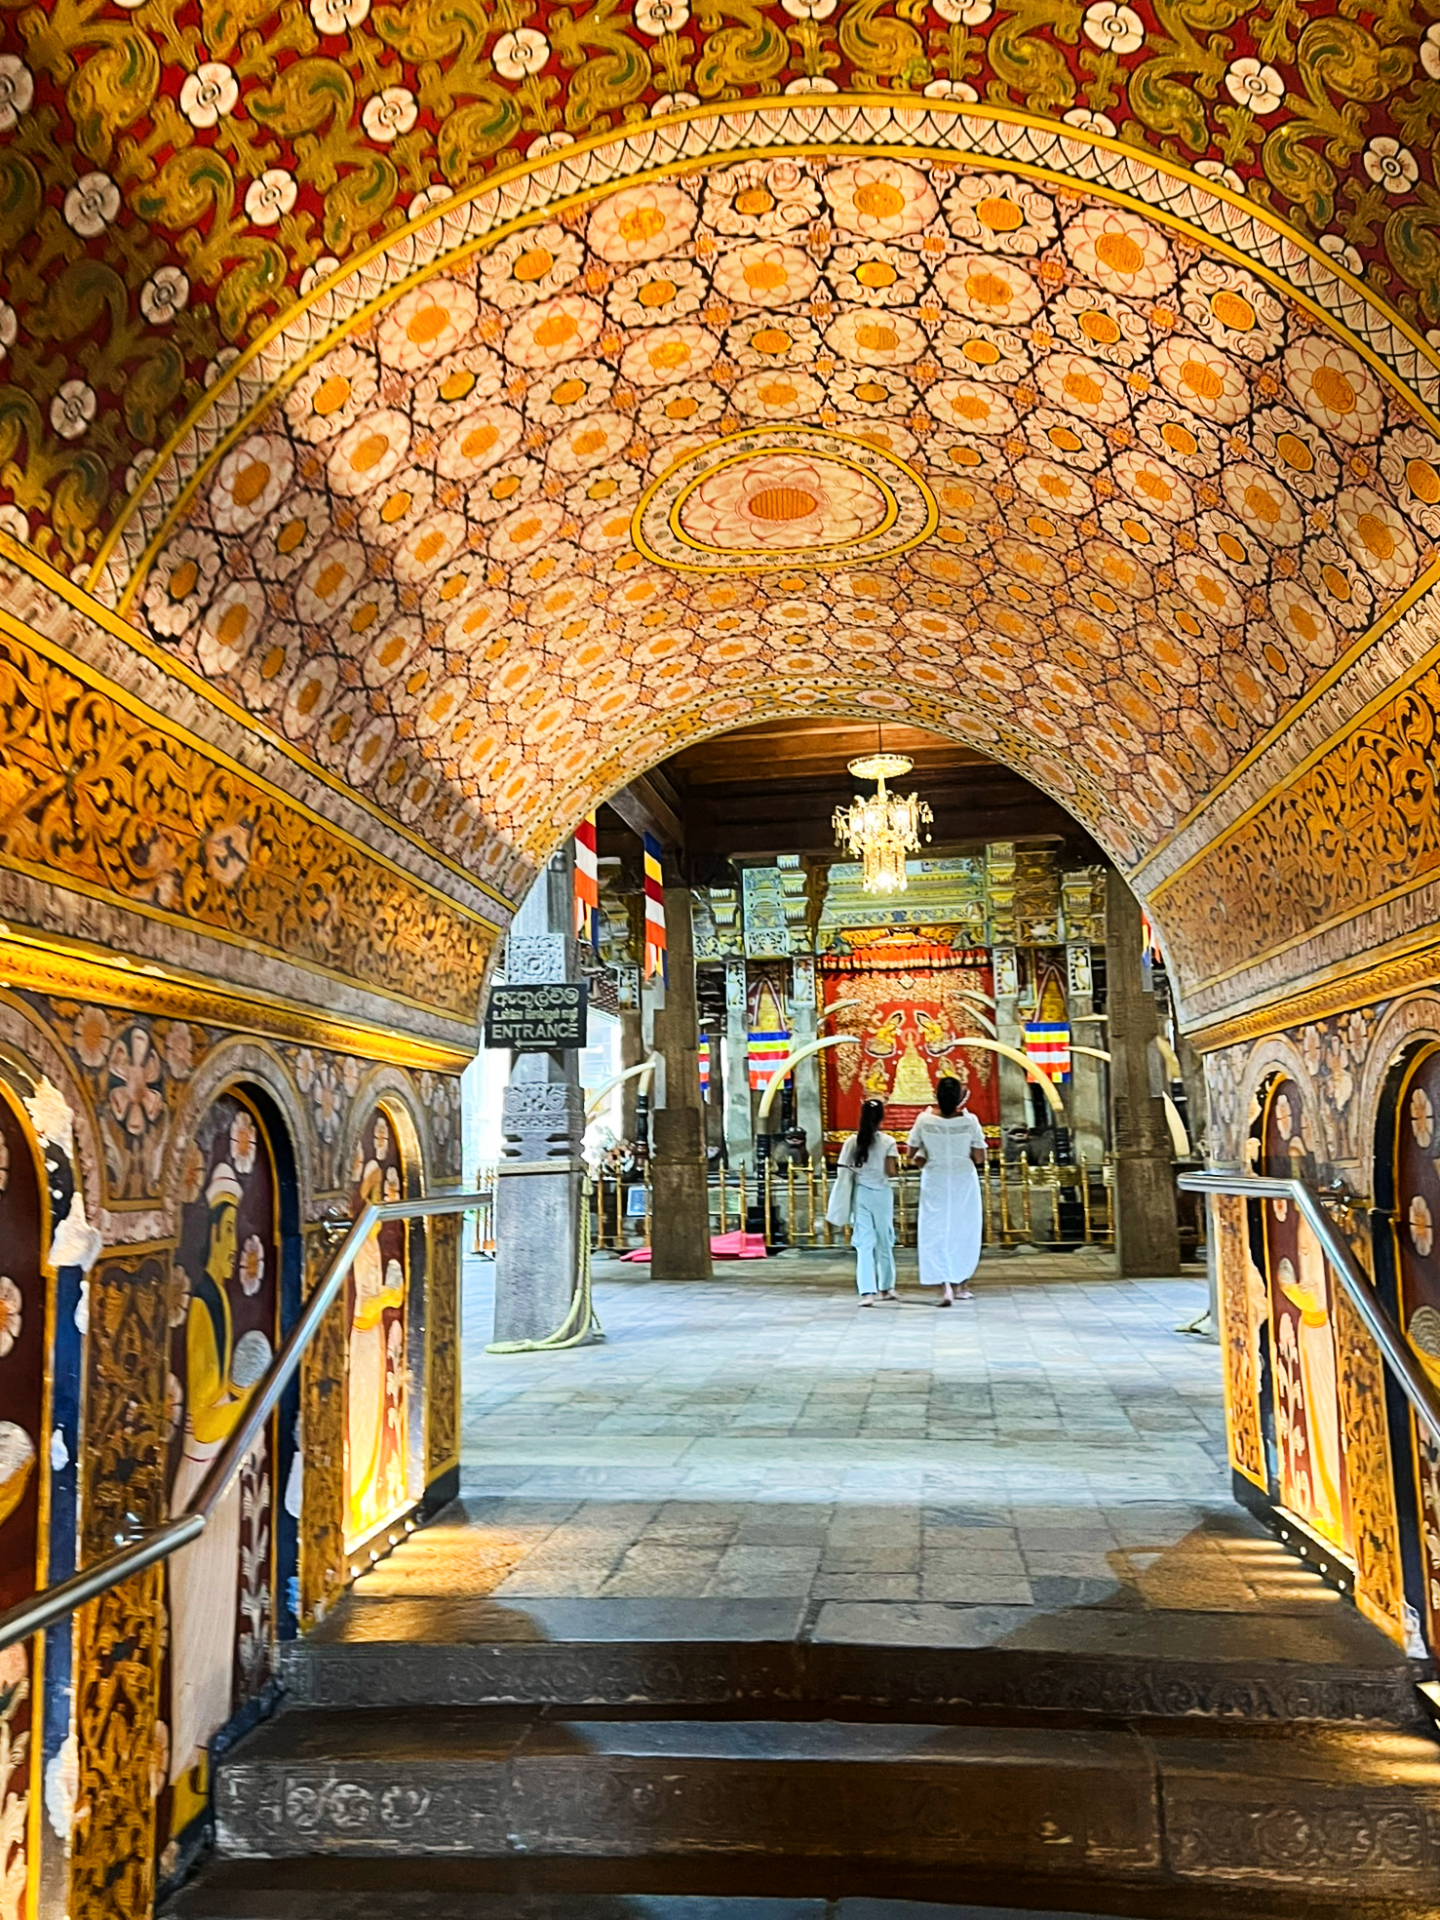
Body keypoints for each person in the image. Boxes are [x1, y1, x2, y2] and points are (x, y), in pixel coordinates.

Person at [907, 1077, 987, 1306]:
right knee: (964, 1228)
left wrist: (926, 1152)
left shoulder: (924, 1120)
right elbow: (980, 1157)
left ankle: (944, 1285)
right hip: (963, 1178)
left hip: (935, 1178)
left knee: (935, 1229)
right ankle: (961, 1283)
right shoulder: (970, 1121)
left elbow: (910, 1152)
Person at [837, 1098, 901, 1306]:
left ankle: (867, 1292)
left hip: (861, 1193)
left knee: (864, 1242)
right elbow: (891, 1171)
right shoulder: (888, 1142)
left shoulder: (851, 1142)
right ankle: (886, 1287)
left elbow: (844, 1169)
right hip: (882, 1194)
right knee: (884, 1239)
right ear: (882, 1117)